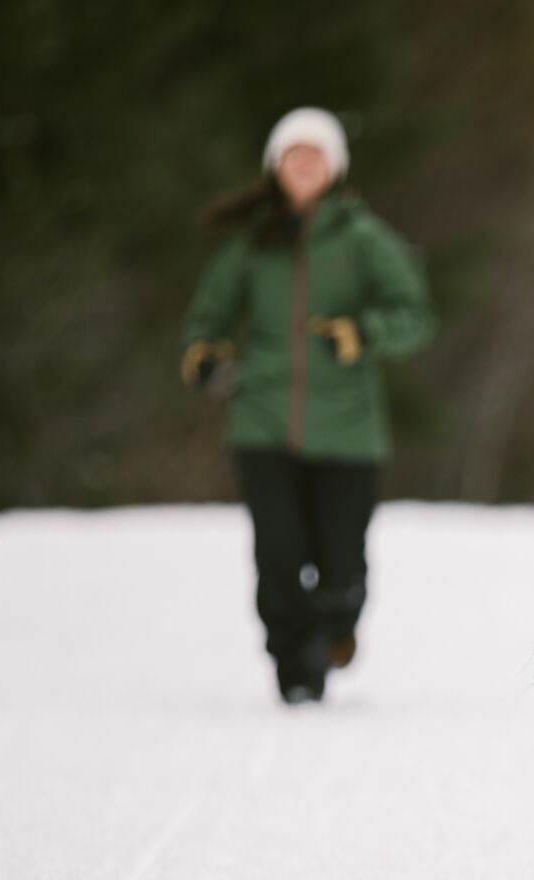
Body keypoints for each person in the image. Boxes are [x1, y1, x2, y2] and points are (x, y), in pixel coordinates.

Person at [182, 108, 435, 704]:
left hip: (349, 429)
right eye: (294, 154)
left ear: (335, 166)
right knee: (278, 552)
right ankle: (293, 663)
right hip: (262, 421)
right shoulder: (252, 243)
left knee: (340, 559)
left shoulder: (366, 239)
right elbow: (208, 316)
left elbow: (416, 314)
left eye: (316, 154)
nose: (305, 163)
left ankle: (336, 625)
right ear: (276, 166)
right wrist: (203, 352)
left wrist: (364, 332)